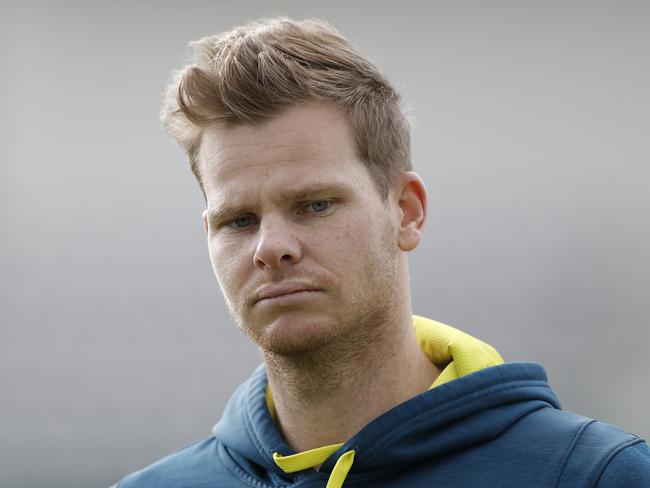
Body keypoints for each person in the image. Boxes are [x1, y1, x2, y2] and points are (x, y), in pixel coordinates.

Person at [114, 17, 650, 488]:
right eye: (239, 221)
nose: (271, 247)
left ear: (407, 211)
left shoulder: (593, 475)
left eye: (315, 205)